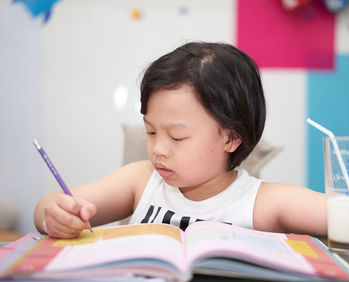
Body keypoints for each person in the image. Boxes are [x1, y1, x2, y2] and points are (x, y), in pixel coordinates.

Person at [34, 42, 327, 239]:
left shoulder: (264, 202)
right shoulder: (140, 180)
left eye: (177, 136)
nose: (158, 149)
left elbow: (338, 216)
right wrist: (53, 214)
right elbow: (49, 207)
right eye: (151, 131)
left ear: (232, 137)